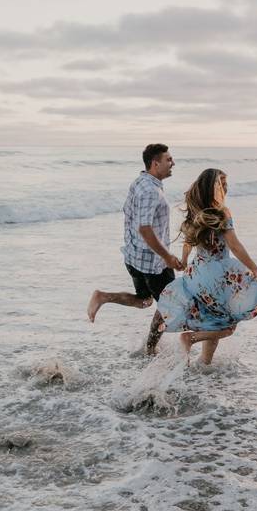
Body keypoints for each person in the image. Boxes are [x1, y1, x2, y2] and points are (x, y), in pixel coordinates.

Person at [156, 168, 257, 365]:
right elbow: (234, 244)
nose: (225, 186)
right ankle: (190, 338)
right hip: (217, 277)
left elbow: (188, 242)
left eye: (225, 182)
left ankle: (205, 363)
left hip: (197, 273)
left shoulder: (196, 213)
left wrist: (183, 261)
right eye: (220, 183)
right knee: (227, 325)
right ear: (210, 187)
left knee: (214, 319)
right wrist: (255, 269)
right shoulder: (222, 212)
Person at [87, 144, 184, 355]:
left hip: (134, 257)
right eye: (168, 160)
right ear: (155, 163)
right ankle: (151, 348)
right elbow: (145, 228)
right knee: (170, 305)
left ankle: (103, 297)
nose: (173, 163)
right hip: (152, 262)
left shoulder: (141, 182)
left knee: (144, 300)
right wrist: (167, 256)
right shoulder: (150, 190)